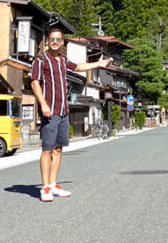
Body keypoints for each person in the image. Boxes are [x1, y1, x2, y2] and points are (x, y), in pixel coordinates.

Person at [30, 27, 112, 202]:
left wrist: (98, 64)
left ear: (62, 42)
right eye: (52, 39)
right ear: (47, 41)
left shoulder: (62, 60)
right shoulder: (40, 60)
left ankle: (53, 184)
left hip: (64, 110)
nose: (55, 42)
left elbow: (78, 67)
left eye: (58, 39)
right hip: (49, 110)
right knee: (47, 150)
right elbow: (35, 83)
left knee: (58, 149)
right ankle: (45, 187)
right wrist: (43, 104)